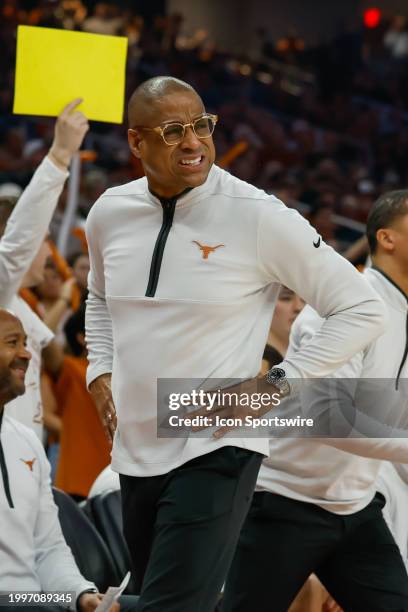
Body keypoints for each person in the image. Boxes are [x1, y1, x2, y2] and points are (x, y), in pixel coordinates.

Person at [85, 76, 386, 612]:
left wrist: (278, 384)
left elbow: (360, 309)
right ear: (137, 143)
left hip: (219, 442)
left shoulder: (257, 215)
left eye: (202, 125)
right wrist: (99, 369)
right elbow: (100, 299)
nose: (194, 142)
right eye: (173, 131)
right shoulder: (109, 212)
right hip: (136, 443)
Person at [221, 190, 408, 612]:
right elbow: (329, 421)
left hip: (356, 506)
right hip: (287, 502)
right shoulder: (340, 305)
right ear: (387, 238)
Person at [0, 308, 135, 612]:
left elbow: (49, 548)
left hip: (33, 601)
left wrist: (80, 595)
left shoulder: (27, 443)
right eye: (12, 343)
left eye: (26, 343)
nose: (26, 354)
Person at [0, 99, 89, 438]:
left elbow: (55, 361)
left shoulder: (22, 308)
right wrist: (59, 156)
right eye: (43, 240)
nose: (50, 252)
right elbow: (16, 248)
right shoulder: (2, 297)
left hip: (30, 460)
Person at [53, 304, 111, 499]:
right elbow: (44, 344)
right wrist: (63, 296)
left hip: (117, 480)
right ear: (82, 338)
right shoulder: (71, 369)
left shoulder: (127, 371)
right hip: (77, 483)